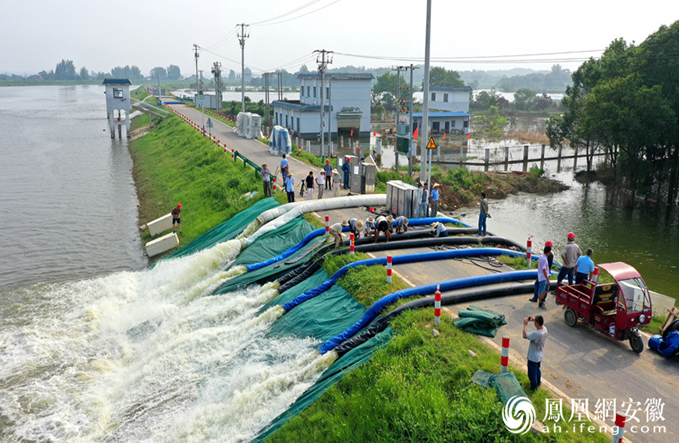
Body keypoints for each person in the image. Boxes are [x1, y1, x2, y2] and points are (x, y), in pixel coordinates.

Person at [523, 314, 547, 391]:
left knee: (532, 373)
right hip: (539, 355)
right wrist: (533, 319)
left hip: (533, 357)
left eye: (535, 322)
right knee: (537, 370)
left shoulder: (537, 334)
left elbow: (524, 335)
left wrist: (525, 325)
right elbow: (539, 323)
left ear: (537, 323)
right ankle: (538, 382)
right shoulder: (544, 330)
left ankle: (533, 388)